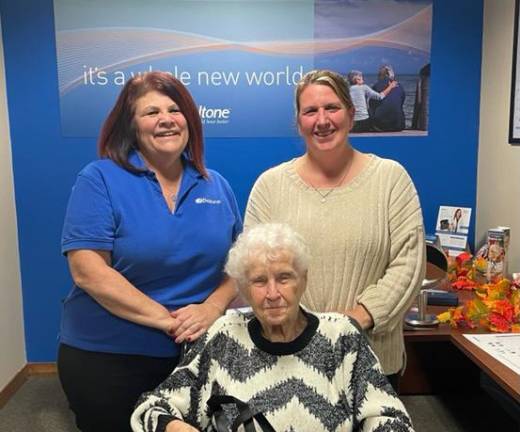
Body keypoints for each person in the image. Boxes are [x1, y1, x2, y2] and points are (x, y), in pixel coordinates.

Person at [58, 71, 242, 432]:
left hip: (197, 355)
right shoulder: (99, 179)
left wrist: (211, 307)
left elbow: (238, 266)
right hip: (108, 355)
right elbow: (88, 270)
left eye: (175, 109)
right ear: (131, 126)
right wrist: (167, 320)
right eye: (151, 112)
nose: (166, 120)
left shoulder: (215, 184)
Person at [131, 223, 415, 432]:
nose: (273, 293)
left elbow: (391, 417)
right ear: (243, 287)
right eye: (258, 281)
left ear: (303, 280)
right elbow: (150, 409)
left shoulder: (341, 336)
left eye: (284, 278)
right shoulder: (224, 336)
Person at [244, 69, 426, 390]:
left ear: (352, 114)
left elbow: (408, 266)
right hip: (289, 362)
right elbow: (255, 270)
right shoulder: (269, 186)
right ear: (299, 122)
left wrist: (354, 320)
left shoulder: (390, 179)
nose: (322, 120)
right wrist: (302, 333)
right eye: (310, 111)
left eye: (332, 108)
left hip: (371, 362)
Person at [369, 64, 406, 132]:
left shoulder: (376, 86)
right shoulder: (400, 86)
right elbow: (401, 103)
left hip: (381, 126)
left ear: (380, 75)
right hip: (399, 125)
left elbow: (371, 105)